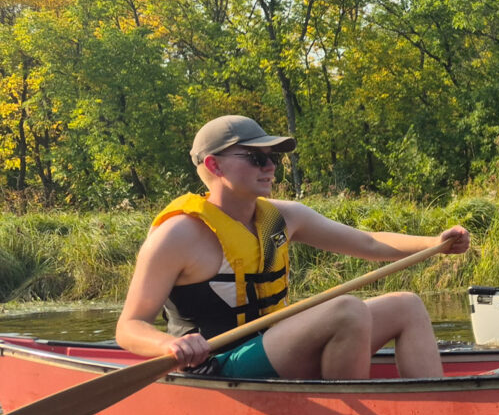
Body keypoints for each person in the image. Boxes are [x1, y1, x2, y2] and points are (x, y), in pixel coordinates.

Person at [116, 115, 470, 379]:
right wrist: (168, 346)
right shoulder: (177, 235)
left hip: (274, 348)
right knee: (346, 310)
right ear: (214, 165)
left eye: (273, 157)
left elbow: (367, 242)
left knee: (406, 306)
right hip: (217, 365)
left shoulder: (282, 217)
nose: (270, 166)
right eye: (256, 157)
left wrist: (435, 243)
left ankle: (434, 412)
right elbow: (128, 327)